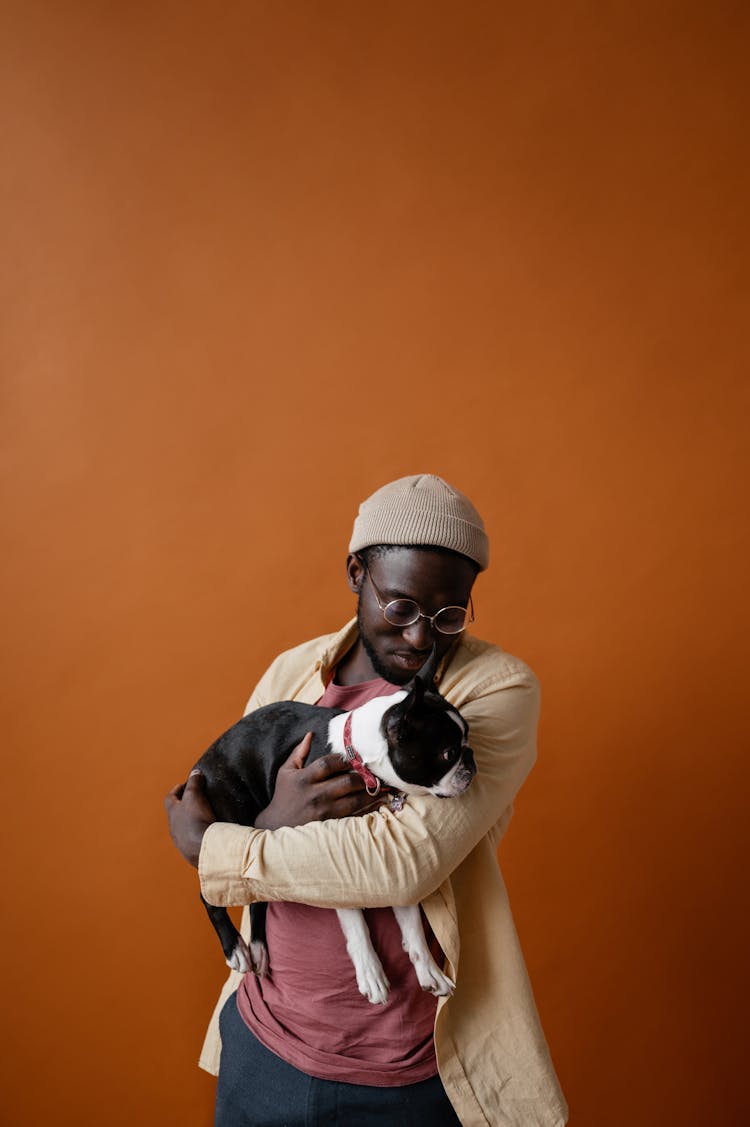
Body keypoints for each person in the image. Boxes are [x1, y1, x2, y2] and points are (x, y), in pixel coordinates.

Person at [165, 474, 568, 1127]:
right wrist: (267, 823)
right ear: (358, 572)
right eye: (401, 605)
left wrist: (216, 845)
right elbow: (236, 812)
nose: (421, 638)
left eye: (449, 614)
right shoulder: (292, 673)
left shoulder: (495, 689)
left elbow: (400, 863)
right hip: (262, 1042)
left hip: (406, 1074)